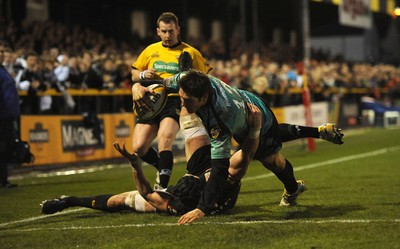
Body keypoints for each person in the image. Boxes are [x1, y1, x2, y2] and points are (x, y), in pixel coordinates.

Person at [154, 70, 343, 224]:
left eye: (187, 100)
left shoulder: (221, 117)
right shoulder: (189, 80)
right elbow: (167, 81)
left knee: (272, 160)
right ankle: (315, 134)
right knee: (272, 143)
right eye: (181, 97)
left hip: (255, 117)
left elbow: (220, 168)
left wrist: (202, 208)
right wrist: (145, 87)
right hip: (247, 102)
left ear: (204, 98)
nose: (183, 103)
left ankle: (294, 189)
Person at [40, 103, 262, 215]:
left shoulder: (176, 203)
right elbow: (248, 154)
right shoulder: (225, 178)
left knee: (122, 201)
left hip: (196, 192)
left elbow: (146, 193)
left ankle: (68, 200)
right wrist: (255, 129)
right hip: (208, 184)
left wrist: (136, 165)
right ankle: (189, 81)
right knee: (189, 116)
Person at [130, 12, 211, 189]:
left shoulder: (190, 52)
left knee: (165, 138)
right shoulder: (150, 50)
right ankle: (163, 166)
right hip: (150, 99)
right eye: (164, 31)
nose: (168, 35)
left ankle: (162, 188)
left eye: (171, 31)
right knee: (138, 147)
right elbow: (134, 73)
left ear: (178, 30)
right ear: (158, 31)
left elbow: (205, 78)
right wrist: (142, 75)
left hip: (174, 100)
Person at [0, 41, 20, 188]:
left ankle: (3, 179)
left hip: (7, 115)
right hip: (2, 115)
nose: (1, 54)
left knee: (5, 147)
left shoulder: (3, 70)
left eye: (2, 51)